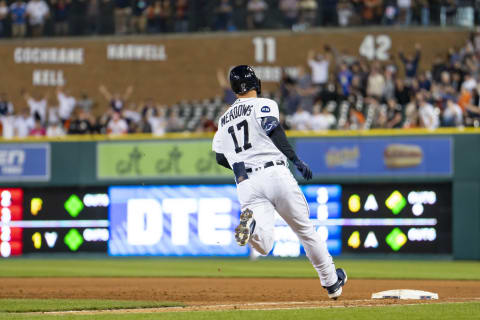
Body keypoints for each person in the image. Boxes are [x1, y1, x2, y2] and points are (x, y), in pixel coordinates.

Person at [212, 65, 347, 299]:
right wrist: (295, 159)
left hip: (246, 183)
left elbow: (219, 156)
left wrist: (240, 164)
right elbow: (272, 129)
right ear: (255, 83)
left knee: (263, 245)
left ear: (235, 89)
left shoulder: (223, 120)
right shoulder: (263, 104)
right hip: (274, 173)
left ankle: (251, 225)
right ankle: (332, 283)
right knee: (305, 231)